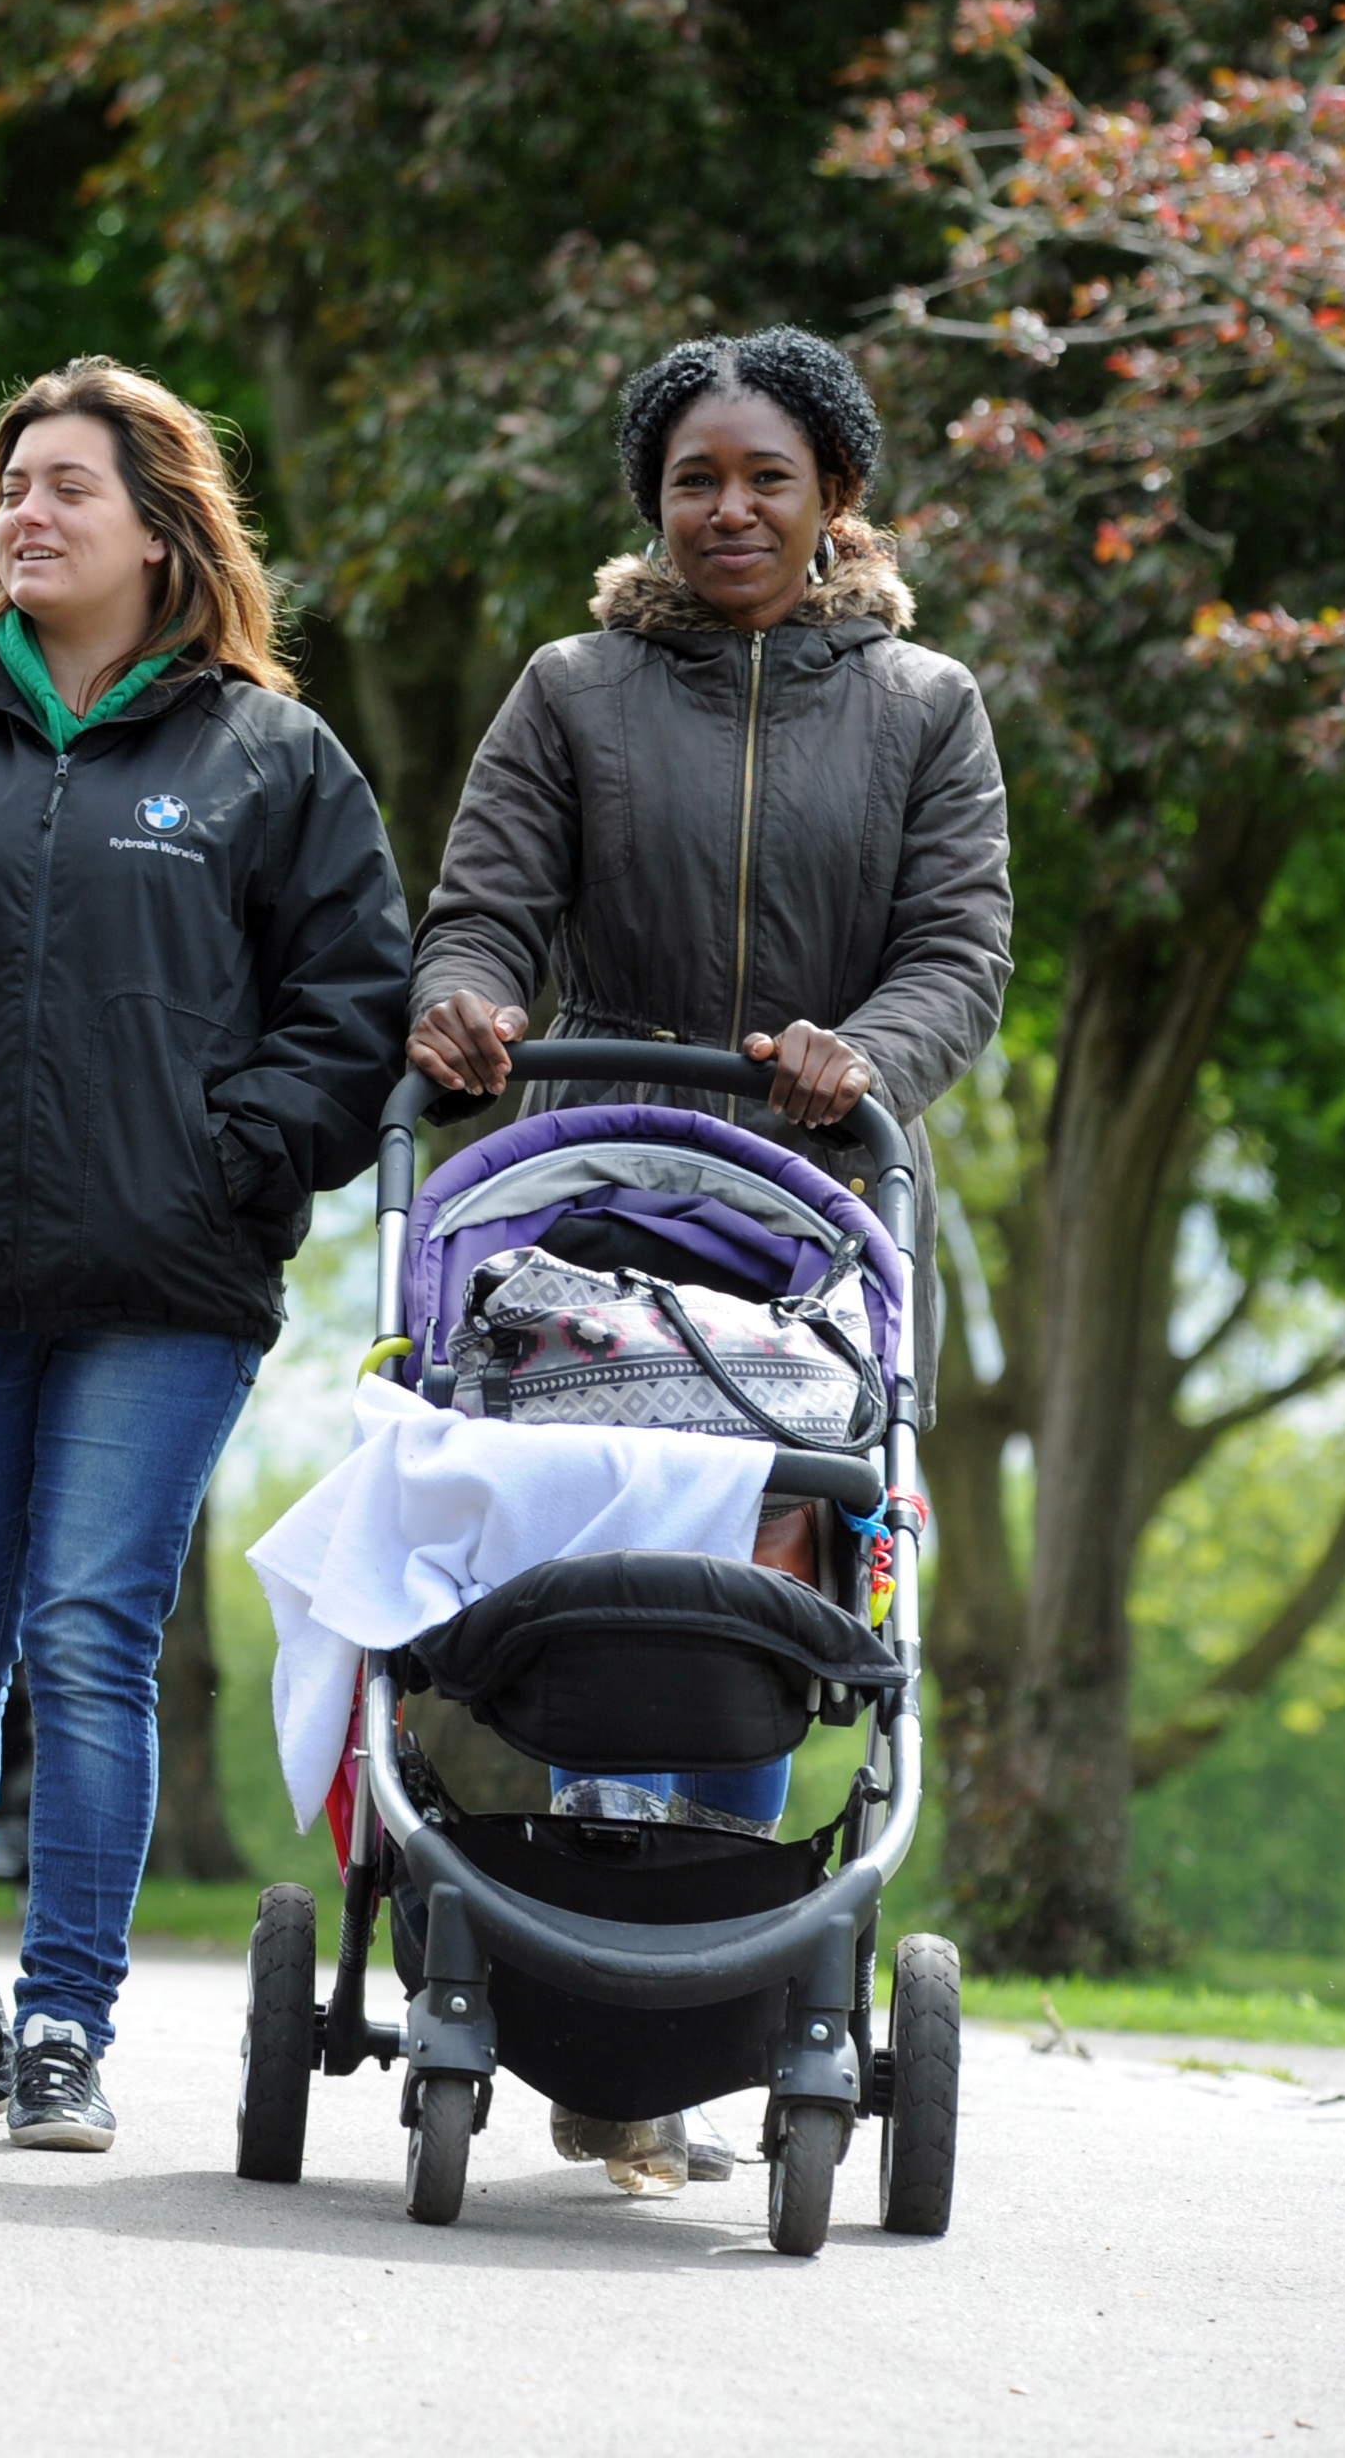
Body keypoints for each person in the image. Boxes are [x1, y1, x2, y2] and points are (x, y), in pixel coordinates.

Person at [0, 356, 409, 2150]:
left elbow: (353, 996)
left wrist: (240, 1159)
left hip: (168, 1287)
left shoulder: (271, 759)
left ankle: (67, 2024)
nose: (27, 514)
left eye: (68, 486)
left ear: (159, 525)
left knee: (88, 1635)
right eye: (12, 488)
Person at [401, 324, 1011, 2191]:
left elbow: (959, 948)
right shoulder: (572, 690)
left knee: (759, 1577)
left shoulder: (924, 706)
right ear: (651, 508)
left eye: (766, 476)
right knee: (600, 1561)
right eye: (694, 479)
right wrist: (465, 1008)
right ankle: (605, 1989)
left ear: (838, 497)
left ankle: (692, 1974)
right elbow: (482, 909)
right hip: (597, 1198)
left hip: (809, 1217)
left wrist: (869, 1054)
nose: (729, 508)